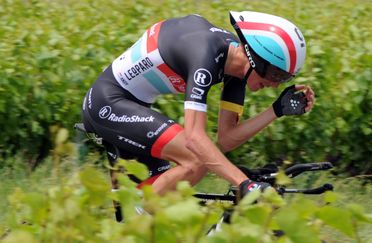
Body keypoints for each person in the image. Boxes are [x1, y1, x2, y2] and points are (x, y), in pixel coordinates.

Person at [81, 11, 315, 197]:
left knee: (161, 207)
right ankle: (136, 225)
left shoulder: (237, 68)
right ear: (256, 59)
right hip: (108, 103)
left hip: (134, 109)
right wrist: (245, 184)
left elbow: (226, 138)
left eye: (284, 79)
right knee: (195, 159)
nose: (275, 84)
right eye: (276, 75)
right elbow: (195, 138)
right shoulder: (205, 52)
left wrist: (276, 110)